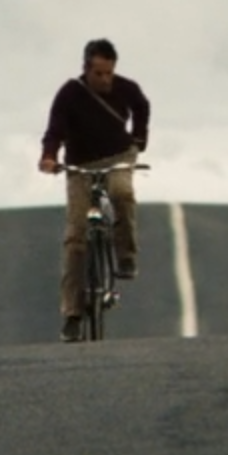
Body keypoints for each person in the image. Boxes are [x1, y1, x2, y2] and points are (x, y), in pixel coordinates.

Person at [38, 38, 151, 342]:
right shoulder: (69, 93)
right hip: (80, 165)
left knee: (122, 193)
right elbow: (54, 130)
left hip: (119, 157)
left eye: (109, 73)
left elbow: (142, 106)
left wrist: (140, 139)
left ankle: (125, 256)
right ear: (86, 69)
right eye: (99, 73)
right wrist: (49, 157)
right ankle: (72, 315)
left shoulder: (127, 88)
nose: (105, 79)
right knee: (75, 238)